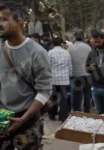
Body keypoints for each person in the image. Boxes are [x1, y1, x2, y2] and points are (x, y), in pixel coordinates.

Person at [0, 1, 52, 149]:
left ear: (18, 22)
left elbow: (45, 91)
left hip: (27, 120)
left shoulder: (38, 53)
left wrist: (23, 119)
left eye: (3, 19)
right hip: (3, 119)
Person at [48, 37, 72, 122]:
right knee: (63, 98)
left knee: (53, 97)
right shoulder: (66, 53)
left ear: (53, 44)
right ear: (61, 44)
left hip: (53, 79)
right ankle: (63, 117)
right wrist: (69, 75)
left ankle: (52, 115)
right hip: (64, 79)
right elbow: (70, 66)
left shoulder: (50, 53)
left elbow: (48, 67)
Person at [69, 31, 92, 113]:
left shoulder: (70, 48)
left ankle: (76, 110)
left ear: (75, 38)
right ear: (83, 38)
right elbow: (91, 58)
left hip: (75, 74)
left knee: (77, 94)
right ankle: (87, 110)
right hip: (87, 74)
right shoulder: (88, 47)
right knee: (87, 93)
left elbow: (68, 59)